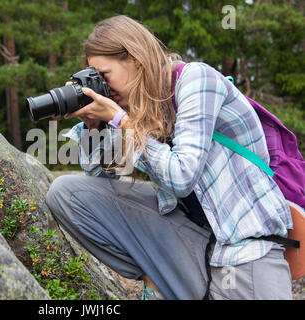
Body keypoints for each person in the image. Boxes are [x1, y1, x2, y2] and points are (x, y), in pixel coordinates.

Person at [45, 15, 293, 300]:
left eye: (104, 75)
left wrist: (120, 120)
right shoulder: (136, 107)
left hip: (244, 252)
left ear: (134, 59)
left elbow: (182, 177)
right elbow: (99, 179)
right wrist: (94, 125)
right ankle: (157, 276)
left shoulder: (197, 80)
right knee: (68, 193)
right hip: (190, 245)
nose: (103, 86)